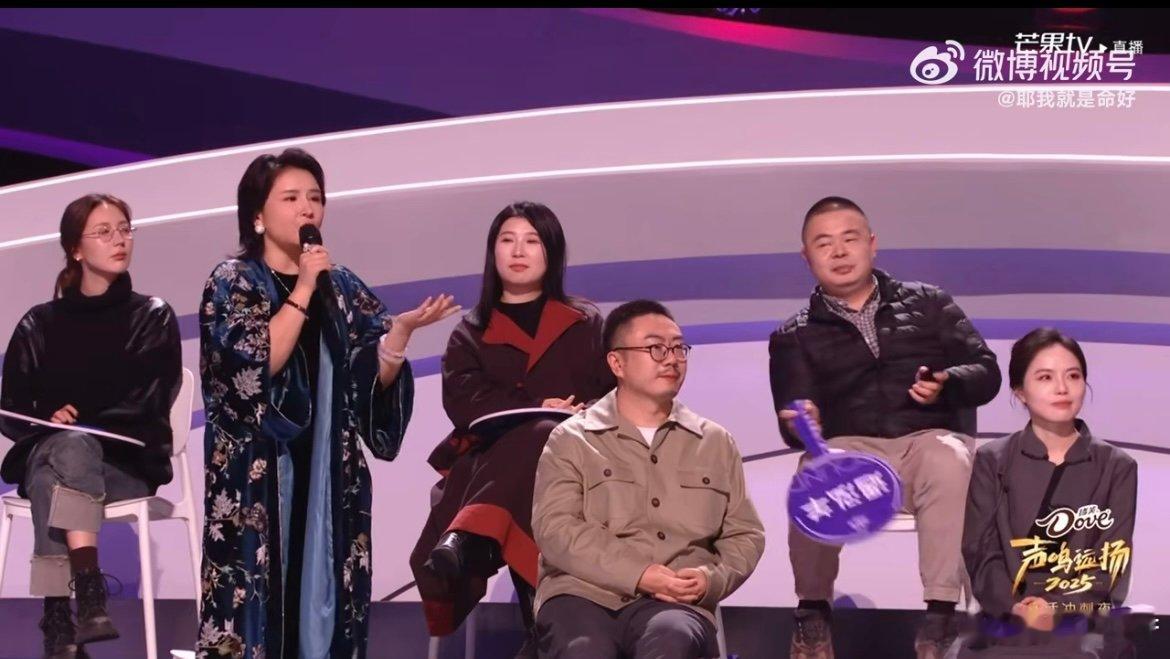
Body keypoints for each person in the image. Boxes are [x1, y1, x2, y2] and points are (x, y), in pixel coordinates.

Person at [196, 148, 457, 658]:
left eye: (315, 198)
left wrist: (397, 338)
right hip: (257, 473)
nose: (307, 209)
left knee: (326, 590)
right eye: (291, 198)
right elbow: (255, 364)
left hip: (327, 470)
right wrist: (303, 287)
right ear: (257, 215)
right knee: (253, 603)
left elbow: (367, 382)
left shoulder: (342, 286)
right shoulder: (233, 280)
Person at [768, 196, 1002, 658]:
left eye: (850, 239)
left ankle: (940, 617)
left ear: (872, 244)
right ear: (807, 257)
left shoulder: (929, 302)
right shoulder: (792, 334)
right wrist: (803, 423)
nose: (839, 252)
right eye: (824, 243)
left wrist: (948, 383)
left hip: (926, 442)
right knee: (813, 471)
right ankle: (812, 613)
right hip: (850, 452)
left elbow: (987, 371)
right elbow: (792, 420)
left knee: (950, 458)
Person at [410, 201, 614, 654]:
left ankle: (475, 538)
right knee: (536, 436)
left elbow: (614, 393)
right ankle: (548, 634)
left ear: (551, 252)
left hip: (581, 467)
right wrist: (536, 408)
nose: (518, 251)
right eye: (507, 240)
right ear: (493, 252)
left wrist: (578, 414)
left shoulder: (586, 323)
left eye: (531, 241)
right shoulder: (470, 332)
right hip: (491, 463)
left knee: (546, 437)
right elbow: (463, 402)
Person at [0, 193, 182, 659]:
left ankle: (59, 618)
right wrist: (49, 419)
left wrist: (75, 427)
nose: (119, 240)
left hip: (123, 470)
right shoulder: (38, 324)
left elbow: (149, 400)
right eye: (104, 232)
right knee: (66, 452)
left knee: (58, 468)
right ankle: (89, 594)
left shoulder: (152, 316)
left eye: (124, 229)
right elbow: (11, 408)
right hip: (62, 459)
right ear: (75, 249)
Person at [531, 299, 765, 658]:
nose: (671, 359)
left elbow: (745, 534)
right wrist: (640, 573)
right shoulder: (571, 439)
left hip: (675, 601)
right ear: (617, 363)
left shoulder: (716, 442)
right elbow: (555, 529)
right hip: (582, 593)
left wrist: (710, 579)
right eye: (655, 348)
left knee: (671, 640)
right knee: (584, 650)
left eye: (678, 348)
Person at [961, 328, 1137, 657]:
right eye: (1045, 377)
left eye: (1073, 376)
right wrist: (1015, 606)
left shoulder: (1117, 466)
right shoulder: (993, 460)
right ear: (1020, 392)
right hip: (1006, 616)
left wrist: (1055, 608)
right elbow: (980, 552)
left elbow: (1110, 563)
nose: (1062, 388)